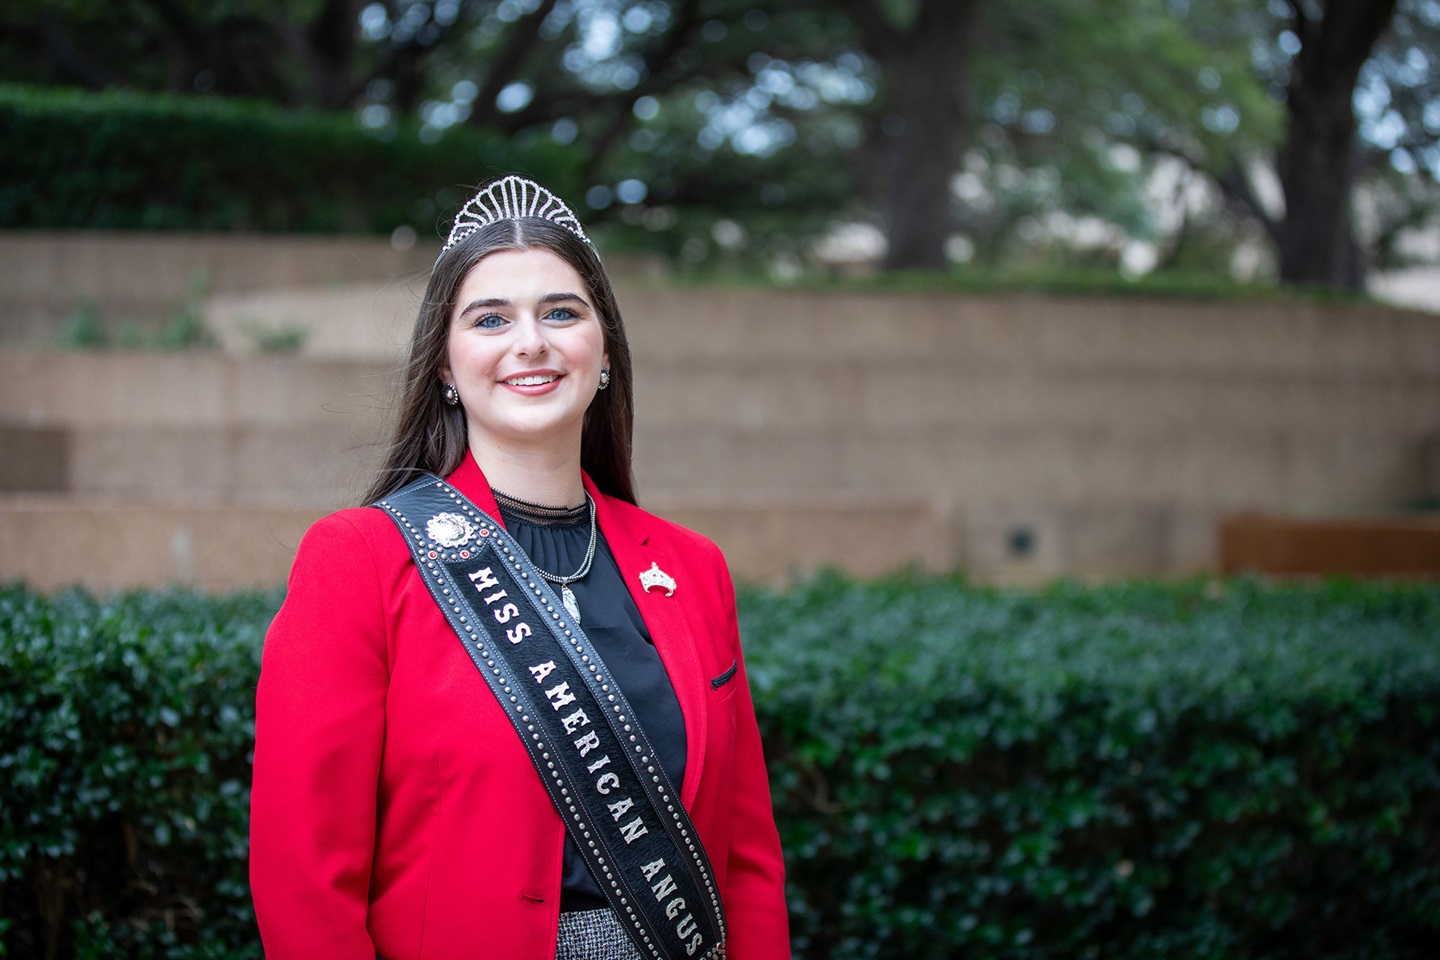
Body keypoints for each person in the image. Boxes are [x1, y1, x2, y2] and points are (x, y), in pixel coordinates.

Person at [249, 175, 790, 960]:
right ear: (444, 364)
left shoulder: (692, 569)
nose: (529, 342)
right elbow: (303, 876)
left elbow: (746, 862)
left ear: (602, 350)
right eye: (490, 318)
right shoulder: (361, 560)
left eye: (561, 312)